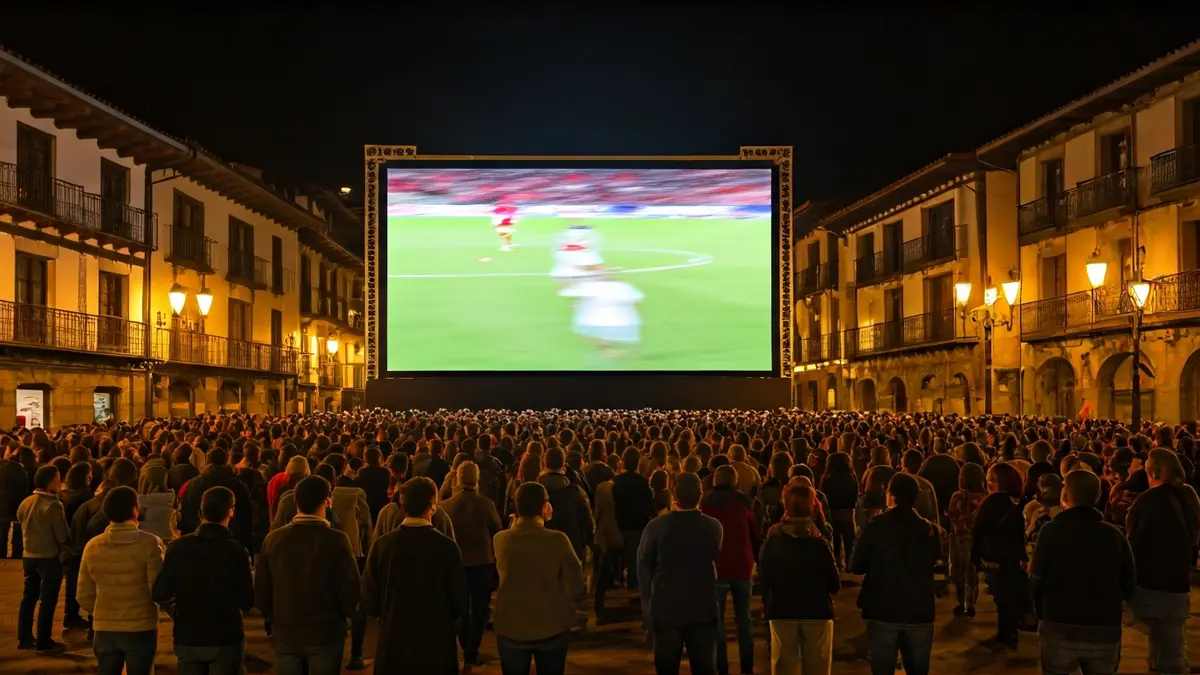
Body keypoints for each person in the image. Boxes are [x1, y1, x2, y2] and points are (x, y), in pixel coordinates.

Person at [1030, 469, 1136, 675]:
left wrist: (1038, 612)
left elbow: (1035, 578)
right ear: (1097, 497)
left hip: (1059, 623)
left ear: (1064, 495)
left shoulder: (1050, 531)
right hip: (1103, 626)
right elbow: (1129, 581)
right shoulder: (1114, 535)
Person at [256, 476, 360, 675]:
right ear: (327, 502)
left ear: (296, 501)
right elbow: (349, 588)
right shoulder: (337, 540)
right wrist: (348, 614)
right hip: (325, 632)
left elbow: (262, 590)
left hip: (286, 631)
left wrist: (271, 617)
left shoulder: (274, 539)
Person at [363, 477, 468, 675]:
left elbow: (370, 600)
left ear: (403, 506)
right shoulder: (447, 547)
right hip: (436, 643)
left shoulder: (382, 546)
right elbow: (460, 601)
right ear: (432, 505)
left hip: (394, 640)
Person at [153, 486, 254, 675]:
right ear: (231, 512)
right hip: (225, 636)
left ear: (201, 513)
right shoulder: (237, 552)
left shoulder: (177, 548)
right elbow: (246, 600)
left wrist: (177, 610)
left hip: (188, 635)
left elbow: (160, 591)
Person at [848, 473, 940, 675]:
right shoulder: (929, 530)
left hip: (883, 609)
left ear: (891, 495)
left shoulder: (875, 526)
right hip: (919, 610)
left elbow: (855, 566)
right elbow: (933, 560)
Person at [493, 481, 586, 675]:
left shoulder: (500, 540)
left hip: (511, 626)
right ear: (545, 507)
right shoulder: (558, 540)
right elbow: (577, 586)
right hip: (551, 626)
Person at [639, 472, 723, 675]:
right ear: (700, 495)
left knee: (666, 667)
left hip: (666, 607)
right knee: (704, 667)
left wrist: (648, 608)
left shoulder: (656, 527)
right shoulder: (713, 526)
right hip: (702, 606)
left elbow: (644, 567)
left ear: (674, 495)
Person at [1125, 448, 1200, 675]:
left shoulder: (1148, 501)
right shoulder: (1189, 497)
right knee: (1170, 648)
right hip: (1178, 584)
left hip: (1149, 584)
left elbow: (1133, 542)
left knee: (1158, 639)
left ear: (1154, 473)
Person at [78, 485, 166, 675]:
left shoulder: (93, 546)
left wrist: (103, 611)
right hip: (141, 627)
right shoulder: (150, 543)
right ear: (135, 509)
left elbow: (83, 594)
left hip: (104, 628)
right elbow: (158, 589)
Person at [758, 482, 840, 675]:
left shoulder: (774, 539)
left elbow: (764, 575)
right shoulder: (819, 543)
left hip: (782, 608)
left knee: (783, 665)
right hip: (816, 610)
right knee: (818, 665)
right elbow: (834, 583)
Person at [441, 461, 504, 670]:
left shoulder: (446, 506)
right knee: (479, 608)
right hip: (482, 562)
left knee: (460, 607)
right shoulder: (486, 504)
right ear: (477, 480)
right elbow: (498, 530)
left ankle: (465, 644)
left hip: (456, 563)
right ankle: (471, 651)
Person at [700, 465, 761, 675]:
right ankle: (747, 666)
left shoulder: (705, 502)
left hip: (716, 566)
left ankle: (722, 667)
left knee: (717, 623)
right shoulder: (744, 502)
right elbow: (755, 533)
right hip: (741, 564)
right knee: (744, 619)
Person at [971, 463, 1028, 650]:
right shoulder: (1015, 503)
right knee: (1007, 597)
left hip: (994, 557)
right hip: (1011, 558)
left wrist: (974, 558)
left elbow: (978, 531)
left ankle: (1006, 637)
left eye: (991, 480)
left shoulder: (990, 504)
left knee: (1002, 598)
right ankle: (1007, 634)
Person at [15, 464, 69, 654]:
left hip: (28, 556)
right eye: (57, 479)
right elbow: (62, 535)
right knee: (47, 600)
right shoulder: (54, 506)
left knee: (28, 598)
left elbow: (20, 519)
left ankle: (24, 637)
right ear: (49, 482)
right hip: (48, 557)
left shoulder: (26, 502)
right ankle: (44, 641)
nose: (60, 483)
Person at [179, 448, 254, 552]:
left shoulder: (192, 484)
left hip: (195, 543)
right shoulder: (238, 485)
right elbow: (246, 517)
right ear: (226, 461)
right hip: (230, 545)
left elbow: (185, 511)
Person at [946, 463, 985, 618]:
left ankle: (961, 601)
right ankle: (970, 601)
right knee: (971, 570)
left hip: (958, 537)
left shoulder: (958, 496)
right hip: (975, 538)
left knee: (958, 570)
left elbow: (952, 514)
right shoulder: (983, 497)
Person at [613, 447, 655, 590]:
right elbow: (649, 504)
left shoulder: (616, 481)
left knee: (621, 555)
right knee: (634, 557)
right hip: (638, 524)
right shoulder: (643, 482)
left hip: (620, 523)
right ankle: (633, 584)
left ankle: (619, 578)